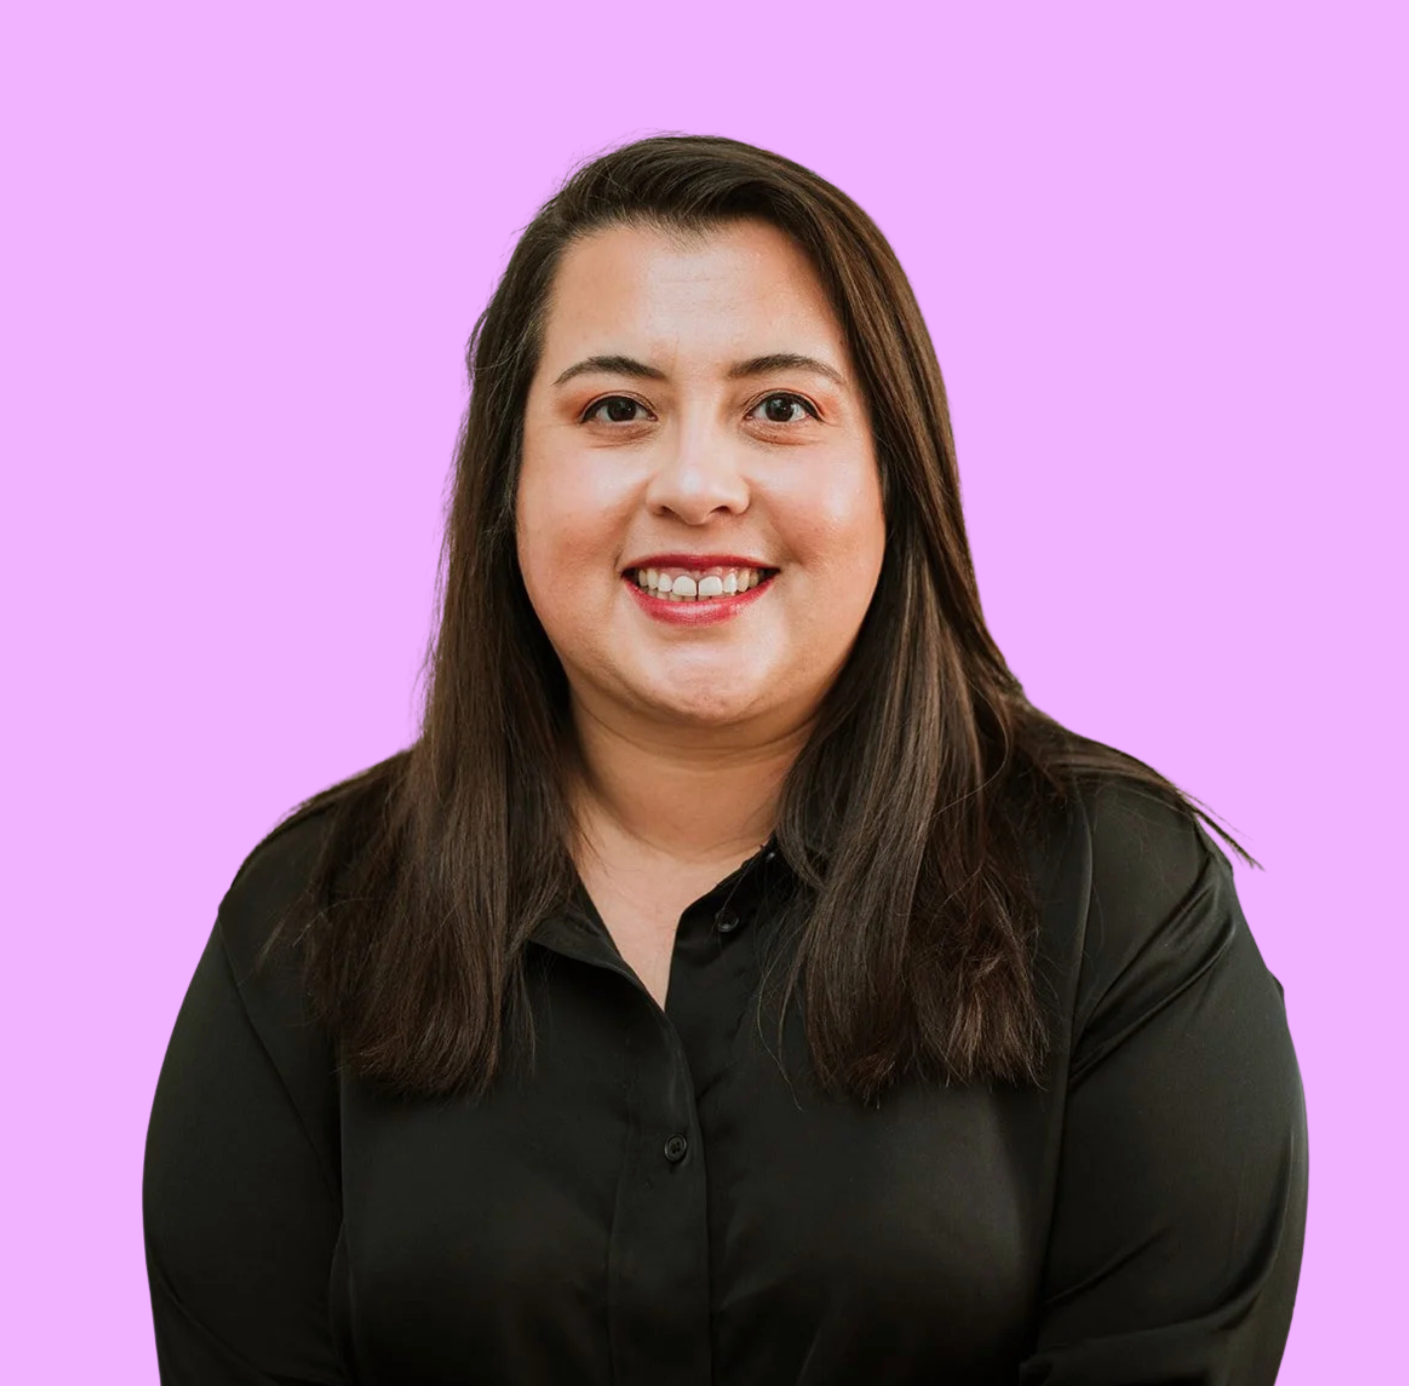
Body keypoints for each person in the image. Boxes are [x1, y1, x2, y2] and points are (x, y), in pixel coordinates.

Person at [142, 134, 1308, 1384]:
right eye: (615, 410)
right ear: (509, 484)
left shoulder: (1116, 896)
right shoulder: (307, 917)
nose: (696, 483)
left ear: (891, 476)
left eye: (779, 408)